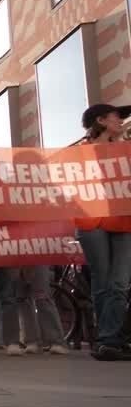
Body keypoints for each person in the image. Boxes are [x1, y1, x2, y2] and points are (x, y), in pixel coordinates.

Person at [75, 103, 131, 360]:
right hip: (92, 222)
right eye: (117, 116)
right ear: (101, 120)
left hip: (124, 222)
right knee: (103, 282)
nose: (121, 121)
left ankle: (108, 339)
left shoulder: (126, 151)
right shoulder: (79, 153)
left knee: (119, 283)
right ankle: (109, 340)